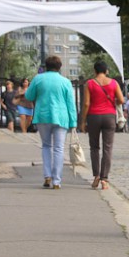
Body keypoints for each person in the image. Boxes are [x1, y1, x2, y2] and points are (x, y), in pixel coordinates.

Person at [25, 55, 77, 189]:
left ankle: (47, 176)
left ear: (45, 67)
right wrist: (73, 122)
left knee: (46, 146)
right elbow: (71, 104)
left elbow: (29, 96)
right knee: (59, 148)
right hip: (61, 117)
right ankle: (57, 181)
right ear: (59, 67)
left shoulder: (38, 79)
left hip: (43, 116)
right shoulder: (65, 81)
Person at [79, 61, 125, 190]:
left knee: (94, 147)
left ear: (95, 71)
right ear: (107, 71)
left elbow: (86, 103)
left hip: (93, 116)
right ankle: (104, 179)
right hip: (109, 116)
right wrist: (110, 100)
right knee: (107, 147)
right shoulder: (114, 83)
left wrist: (83, 121)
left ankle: (96, 176)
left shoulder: (89, 83)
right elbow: (121, 100)